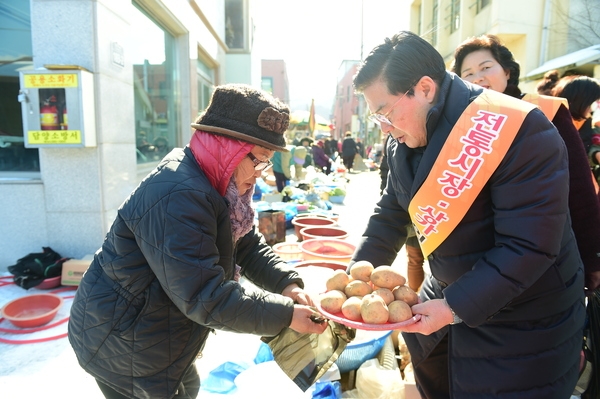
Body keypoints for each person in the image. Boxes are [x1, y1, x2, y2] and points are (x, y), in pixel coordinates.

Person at [352, 31, 584, 398]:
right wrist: (359, 273)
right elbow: (391, 210)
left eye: (385, 112)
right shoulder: (401, 139)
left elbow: (529, 246)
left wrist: (454, 306)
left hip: (523, 317)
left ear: (425, 88)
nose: (383, 126)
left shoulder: (517, 127)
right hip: (449, 296)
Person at [68, 84, 328, 399]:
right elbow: (206, 297)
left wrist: (288, 284)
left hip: (159, 333)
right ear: (228, 149)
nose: (261, 174)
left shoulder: (219, 185)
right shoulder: (179, 196)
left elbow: (247, 245)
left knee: (187, 386)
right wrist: (286, 314)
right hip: (121, 343)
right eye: (259, 161)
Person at [452, 34, 600, 295]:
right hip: (486, 269)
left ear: (507, 71)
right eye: (468, 73)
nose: (478, 78)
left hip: (551, 257)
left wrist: (591, 258)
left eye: (486, 67)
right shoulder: (463, 127)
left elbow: (579, 188)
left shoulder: (545, 110)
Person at [380, 133, 426, 291]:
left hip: (425, 213)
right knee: (415, 258)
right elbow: (386, 174)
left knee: (417, 259)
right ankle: (415, 295)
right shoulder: (394, 140)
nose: (385, 128)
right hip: (410, 213)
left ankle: (418, 295)